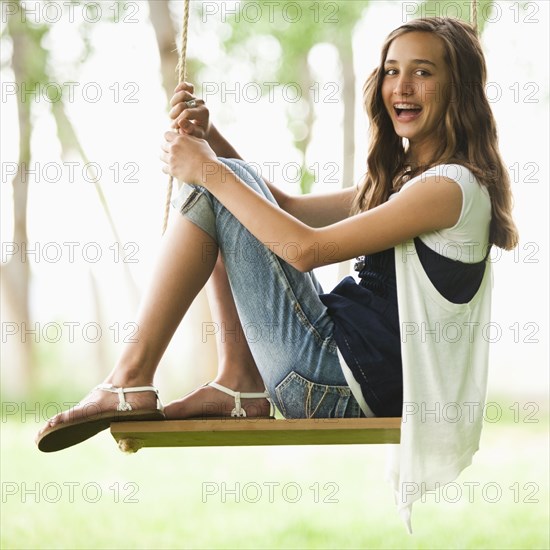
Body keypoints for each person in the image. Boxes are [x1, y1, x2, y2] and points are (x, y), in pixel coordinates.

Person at [36, 17, 518, 454]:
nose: (402, 86)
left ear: (459, 89)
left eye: (423, 72)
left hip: (337, 383)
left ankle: (130, 380)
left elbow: (305, 250)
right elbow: (284, 208)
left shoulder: (447, 188)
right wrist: (214, 141)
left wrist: (208, 170)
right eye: (392, 71)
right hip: (342, 378)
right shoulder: (410, 182)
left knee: (215, 192)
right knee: (225, 193)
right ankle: (239, 381)